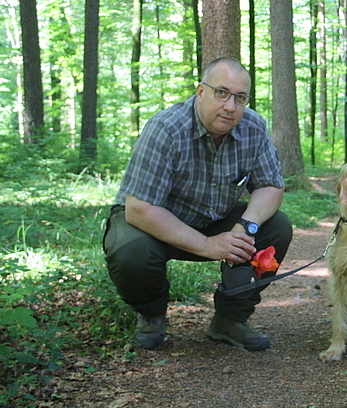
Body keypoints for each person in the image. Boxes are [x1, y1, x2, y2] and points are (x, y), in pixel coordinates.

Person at [103, 57, 292, 351]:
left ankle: (230, 319)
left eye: (240, 98)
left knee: (276, 226)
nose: (230, 106)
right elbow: (139, 209)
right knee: (131, 251)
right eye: (221, 93)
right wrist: (207, 245)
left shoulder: (253, 128)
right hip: (153, 224)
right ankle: (151, 315)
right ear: (200, 91)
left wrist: (246, 225)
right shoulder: (165, 129)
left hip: (215, 217)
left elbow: (271, 186)